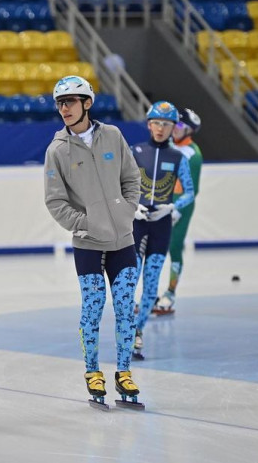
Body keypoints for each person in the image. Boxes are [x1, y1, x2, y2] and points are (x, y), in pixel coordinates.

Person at [43, 75, 144, 410]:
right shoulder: (57, 151)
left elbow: (131, 178)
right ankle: (93, 372)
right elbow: (55, 201)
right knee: (93, 308)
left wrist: (126, 211)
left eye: (69, 101)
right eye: (59, 103)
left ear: (87, 103)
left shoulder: (113, 136)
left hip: (123, 241)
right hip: (88, 245)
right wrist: (86, 224)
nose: (64, 109)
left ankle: (125, 372)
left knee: (126, 309)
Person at [130, 101, 195, 360]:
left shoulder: (178, 157)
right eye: (156, 123)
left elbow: (189, 191)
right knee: (129, 280)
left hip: (161, 226)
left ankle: (138, 332)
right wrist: (132, 206)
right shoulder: (135, 151)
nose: (160, 129)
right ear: (149, 125)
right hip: (137, 223)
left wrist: (171, 208)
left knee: (151, 284)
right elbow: (120, 185)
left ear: (173, 128)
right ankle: (125, 330)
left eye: (166, 125)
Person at [154, 108, 203, 315]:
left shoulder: (194, 154)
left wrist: (177, 209)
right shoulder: (168, 146)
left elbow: (193, 190)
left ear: (190, 130)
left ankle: (170, 294)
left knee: (173, 247)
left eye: (180, 126)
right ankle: (150, 294)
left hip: (181, 205)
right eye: (174, 124)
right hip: (162, 200)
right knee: (153, 249)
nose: (174, 129)